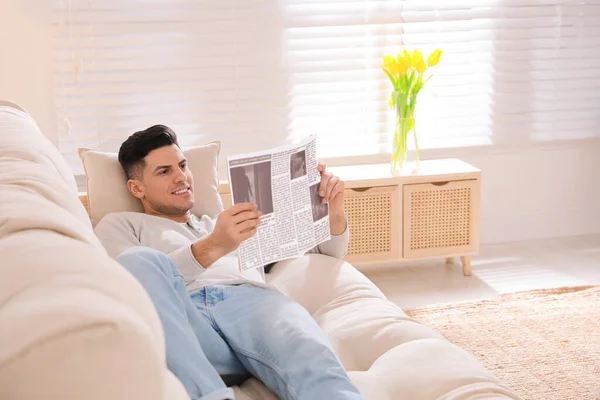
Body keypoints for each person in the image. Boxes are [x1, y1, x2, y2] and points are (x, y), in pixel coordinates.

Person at [94, 125, 360, 400]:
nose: (181, 177)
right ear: (136, 188)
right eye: (165, 171)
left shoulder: (228, 222)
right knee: (138, 260)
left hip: (254, 310)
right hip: (187, 325)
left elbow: (323, 252)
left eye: (183, 166)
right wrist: (213, 247)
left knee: (311, 357)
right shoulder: (121, 224)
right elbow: (125, 287)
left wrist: (333, 210)